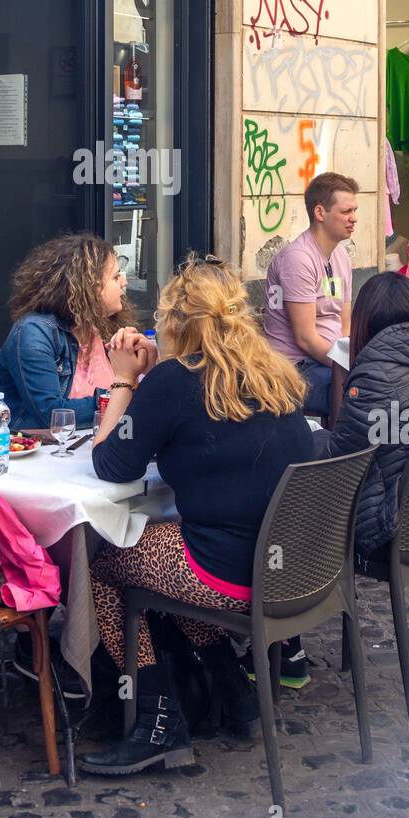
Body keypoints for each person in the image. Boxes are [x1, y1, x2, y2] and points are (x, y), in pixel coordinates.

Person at [80, 254, 319, 777]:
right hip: (299, 570)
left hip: (235, 574)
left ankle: (155, 721)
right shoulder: (271, 371)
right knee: (172, 551)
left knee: (106, 561)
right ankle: (235, 693)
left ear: (173, 323)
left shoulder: (175, 381)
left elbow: (111, 463)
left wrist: (125, 381)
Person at [315, 273, 409, 558]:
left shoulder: (374, 375)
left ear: (364, 319)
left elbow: (340, 464)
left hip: (390, 529)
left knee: (306, 456)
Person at [0, 233, 132, 431]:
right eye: (115, 276)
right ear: (90, 287)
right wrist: (122, 395)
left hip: (83, 442)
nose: (124, 282)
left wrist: (139, 363)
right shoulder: (34, 332)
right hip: (20, 450)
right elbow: (52, 414)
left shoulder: (106, 328)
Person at [263, 172, 358, 416]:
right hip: (295, 367)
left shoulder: (341, 256)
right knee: (362, 393)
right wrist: (349, 366)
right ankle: (345, 452)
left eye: (354, 211)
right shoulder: (298, 259)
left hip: (329, 362)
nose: (353, 219)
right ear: (320, 213)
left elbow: (345, 327)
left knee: (383, 385)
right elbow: (305, 338)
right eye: (346, 212)